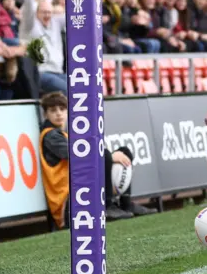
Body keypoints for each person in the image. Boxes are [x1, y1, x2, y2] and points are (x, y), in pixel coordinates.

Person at [39, 92, 157, 230]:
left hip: (80, 190)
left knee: (123, 152)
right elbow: (78, 155)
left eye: (62, 109)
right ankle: (106, 206)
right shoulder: (50, 136)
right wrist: (110, 157)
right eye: (53, 111)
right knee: (104, 154)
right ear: (46, 115)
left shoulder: (63, 133)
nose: (58, 114)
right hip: (68, 203)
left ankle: (125, 203)